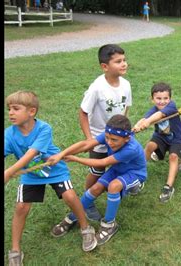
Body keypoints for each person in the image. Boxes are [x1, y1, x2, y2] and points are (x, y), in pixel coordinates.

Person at [4, 91, 97, 265]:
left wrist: (9, 173)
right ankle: (15, 250)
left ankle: (86, 227)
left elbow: (31, 154)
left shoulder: (44, 129)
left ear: (31, 112)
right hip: (31, 175)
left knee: (70, 196)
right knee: (21, 207)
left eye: (16, 109)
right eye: (9, 109)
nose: (10, 113)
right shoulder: (9, 134)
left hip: (55, 169)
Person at [47, 114, 147, 246]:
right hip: (117, 169)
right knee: (95, 188)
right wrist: (62, 154)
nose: (109, 142)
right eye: (107, 138)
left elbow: (102, 162)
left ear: (127, 139)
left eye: (114, 140)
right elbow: (86, 144)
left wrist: (74, 158)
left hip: (134, 173)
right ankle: (73, 216)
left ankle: (109, 224)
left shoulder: (131, 149)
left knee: (113, 186)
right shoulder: (111, 135)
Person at [78, 44, 138, 221]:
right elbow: (83, 112)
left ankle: (126, 185)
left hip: (119, 137)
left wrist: (124, 130)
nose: (124, 64)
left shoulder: (126, 84)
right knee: (97, 170)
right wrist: (90, 139)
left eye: (124, 60)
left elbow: (126, 109)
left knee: (121, 163)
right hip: (100, 136)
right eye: (118, 61)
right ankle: (88, 201)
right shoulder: (96, 87)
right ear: (105, 66)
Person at [133, 82, 181, 203]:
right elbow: (145, 118)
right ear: (152, 99)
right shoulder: (153, 109)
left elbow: (159, 115)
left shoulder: (171, 106)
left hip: (178, 139)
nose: (162, 101)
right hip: (161, 137)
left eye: (165, 98)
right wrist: (138, 125)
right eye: (158, 98)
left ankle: (168, 187)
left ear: (170, 98)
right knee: (150, 145)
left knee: (173, 157)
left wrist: (148, 123)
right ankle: (138, 173)